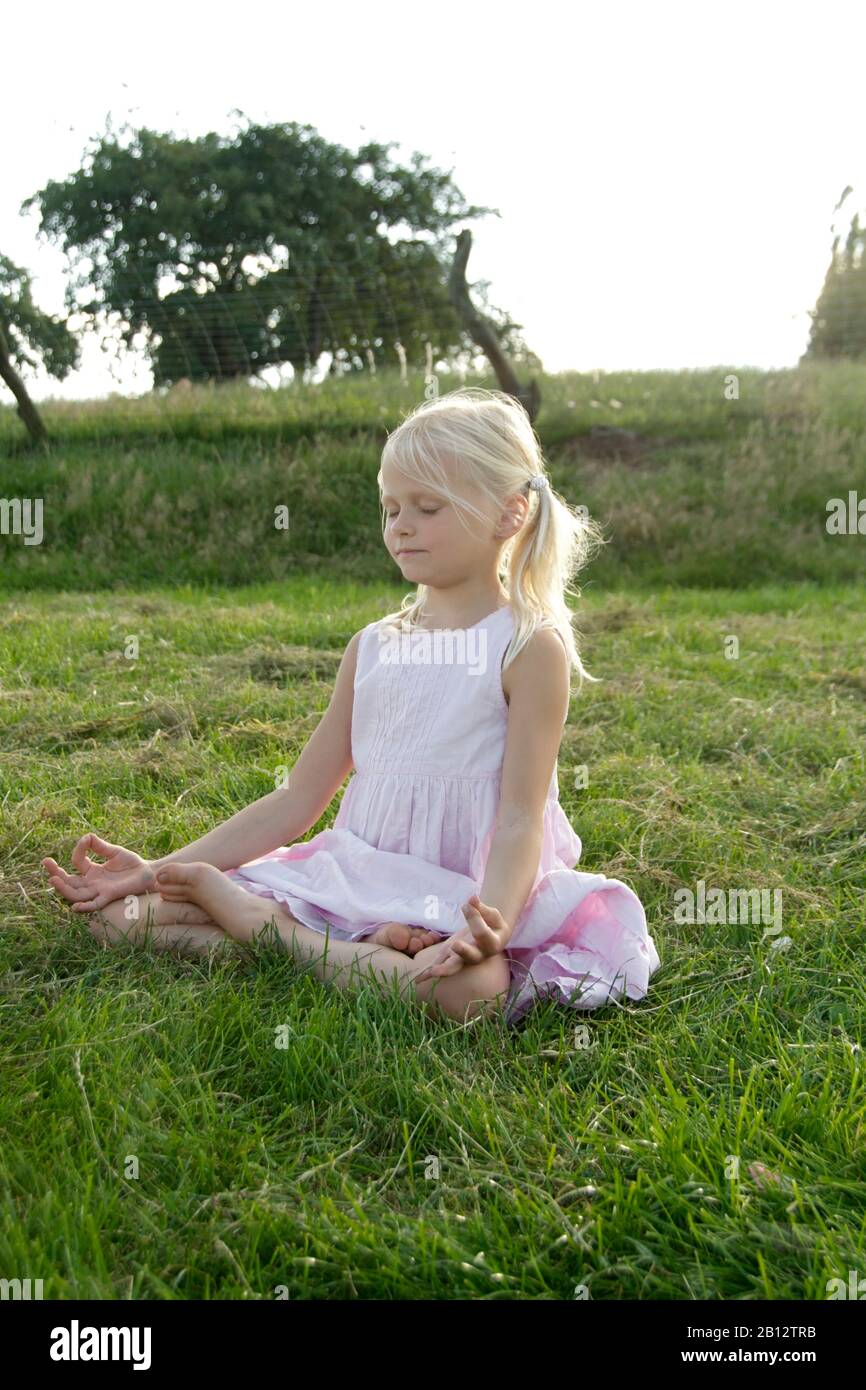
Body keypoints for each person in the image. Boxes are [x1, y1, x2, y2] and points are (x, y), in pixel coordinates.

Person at [42, 387, 661, 1026]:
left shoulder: (528, 647)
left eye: (427, 507)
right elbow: (295, 800)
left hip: (469, 890)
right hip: (360, 876)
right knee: (122, 918)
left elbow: (519, 821)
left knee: (474, 992)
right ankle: (337, 943)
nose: (401, 526)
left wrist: (491, 926)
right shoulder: (373, 646)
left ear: (510, 513)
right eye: (391, 508)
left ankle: (263, 929)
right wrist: (155, 872)